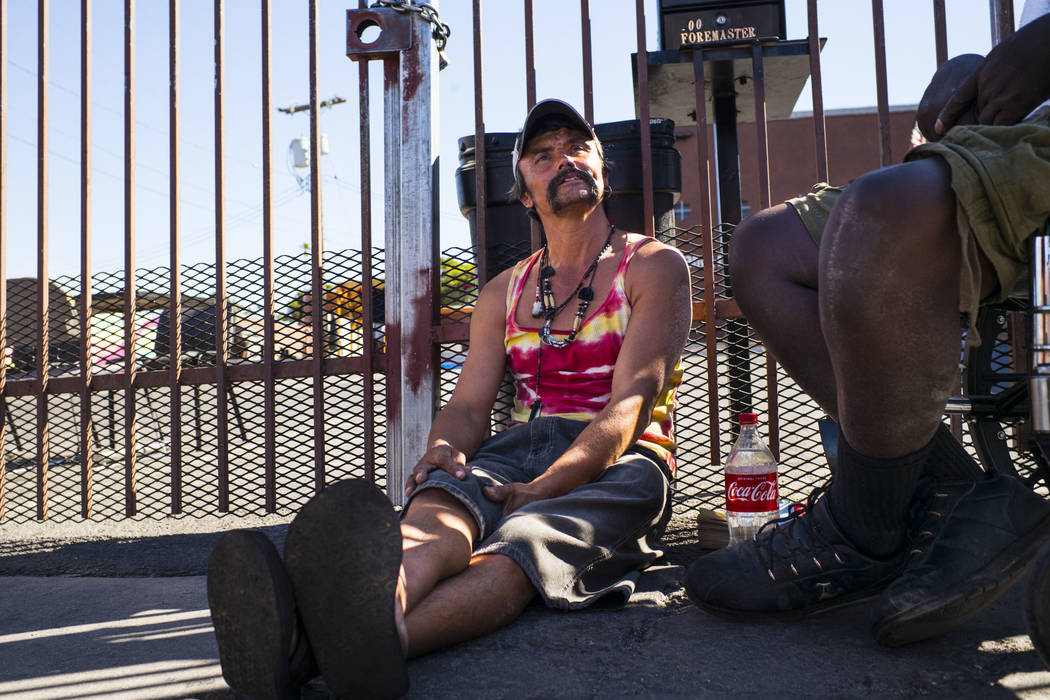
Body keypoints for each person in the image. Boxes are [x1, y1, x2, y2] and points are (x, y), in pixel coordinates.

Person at [206, 99, 691, 699]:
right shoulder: (501, 293)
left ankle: (316, 648)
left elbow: (631, 404)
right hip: (519, 448)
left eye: (578, 147)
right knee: (440, 511)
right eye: (543, 155)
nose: (564, 159)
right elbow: (467, 409)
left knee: (525, 545)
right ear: (523, 193)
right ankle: (338, 639)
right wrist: (441, 452)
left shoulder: (653, 265)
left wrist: (544, 489)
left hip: (624, 463)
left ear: (603, 171)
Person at [684, 1, 1050, 648]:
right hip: (1005, 143)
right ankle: (950, 492)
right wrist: (971, 78)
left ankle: (860, 527)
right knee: (764, 247)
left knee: (880, 209)